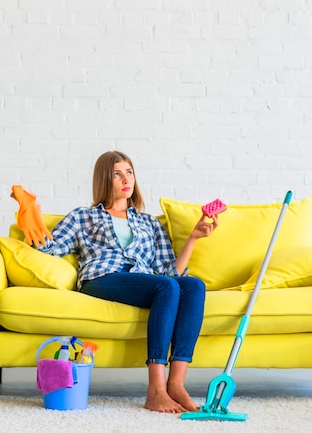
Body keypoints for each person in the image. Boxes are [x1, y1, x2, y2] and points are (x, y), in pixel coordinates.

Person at [36, 150, 219, 413]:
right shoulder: (82, 217)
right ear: (104, 180)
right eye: (117, 174)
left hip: (143, 279)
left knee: (193, 286)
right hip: (102, 277)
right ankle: (156, 390)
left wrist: (193, 238)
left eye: (129, 172)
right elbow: (51, 248)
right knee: (164, 286)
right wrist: (31, 218)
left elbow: (169, 273)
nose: (126, 179)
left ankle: (176, 384)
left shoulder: (149, 223)